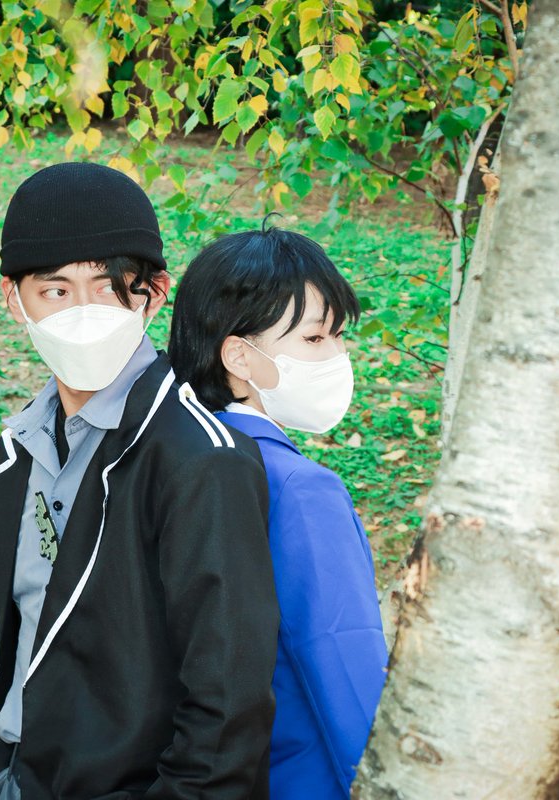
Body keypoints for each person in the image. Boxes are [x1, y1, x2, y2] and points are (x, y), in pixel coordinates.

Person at [0, 162, 279, 800]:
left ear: (154, 293)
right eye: (55, 291)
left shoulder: (200, 459)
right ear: (13, 299)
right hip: (12, 773)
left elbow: (226, 712)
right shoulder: (18, 449)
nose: (83, 313)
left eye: (108, 288)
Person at [168, 224, 389, 800]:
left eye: (339, 336)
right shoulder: (299, 488)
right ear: (239, 355)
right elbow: (344, 661)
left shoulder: (169, 460)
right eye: (315, 339)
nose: (339, 357)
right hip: (305, 775)